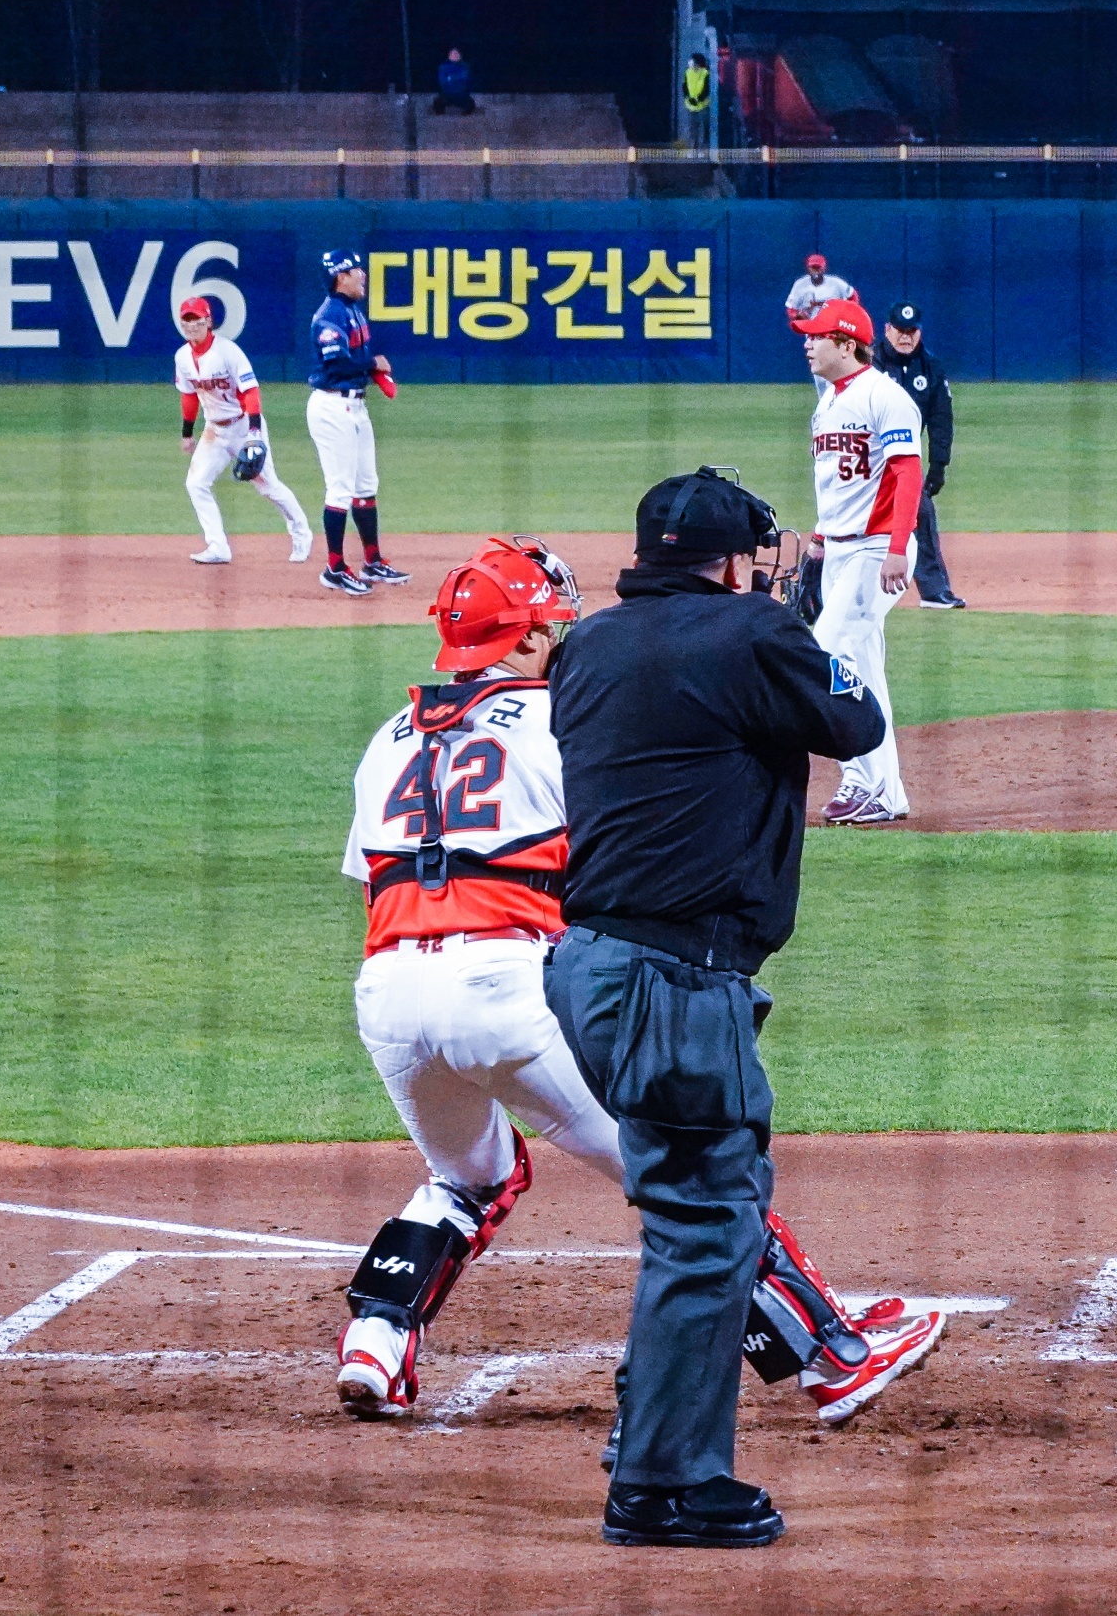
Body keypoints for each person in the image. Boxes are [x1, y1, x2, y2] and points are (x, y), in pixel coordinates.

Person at [333, 533, 945, 1448]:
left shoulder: (388, 738)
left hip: (387, 992)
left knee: (470, 1177)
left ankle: (375, 1343)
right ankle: (833, 1355)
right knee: (692, 1178)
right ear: (525, 637)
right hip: (506, 987)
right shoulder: (561, 719)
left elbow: (376, 879)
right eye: (554, 624)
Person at [542, 471, 941, 1549]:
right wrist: (792, 632)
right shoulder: (752, 632)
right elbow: (855, 723)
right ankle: (661, 1485)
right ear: (728, 561)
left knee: (705, 1213)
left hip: (593, 968)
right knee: (708, 1223)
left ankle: (649, 1444)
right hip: (672, 980)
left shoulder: (586, 644)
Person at [795, 297, 922, 825]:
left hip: (877, 548)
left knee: (827, 652)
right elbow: (839, 482)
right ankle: (885, 792)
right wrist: (819, 539)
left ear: (846, 344)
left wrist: (896, 548)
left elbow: (908, 474)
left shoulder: (885, 397)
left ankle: (862, 778)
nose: (807, 344)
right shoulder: (828, 400)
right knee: (863, 670)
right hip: (841, 549)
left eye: (816, 336)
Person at [173, 295, 311, 566]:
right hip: (214, 431)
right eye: (186, 320)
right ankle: (218, 547)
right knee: (196, 483)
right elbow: (189, 395)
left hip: (243, 425)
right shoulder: (182, 357)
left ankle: (301, 534)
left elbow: (250, 391)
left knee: (268, 486)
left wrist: (255, 433)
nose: (191, 325)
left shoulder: (228, 352)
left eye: (196, 319)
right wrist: (187, 433)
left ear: (208, 321)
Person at [305, 249, 408, 596]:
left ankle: (372, 561)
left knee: (366, 485)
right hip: (332, 406)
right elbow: (337, 364)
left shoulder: (352, 310)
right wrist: (373, 365)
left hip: (355, 406)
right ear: (340, 278)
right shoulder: (329, 316)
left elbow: (358, 358)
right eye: (355, 270)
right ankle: (334, 568)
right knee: (340, 489)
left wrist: (373, 373)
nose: (362, 274)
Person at [874, 301, 963, 609]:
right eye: (900, 330)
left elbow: (941, 420)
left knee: (921, 512)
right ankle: (816, 588)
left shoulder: (930, 368)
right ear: (887, 329)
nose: (905, 337)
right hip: (865, 460)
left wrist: (938, 466)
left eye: (911, 331)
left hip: (901, 462)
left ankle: (934, 591)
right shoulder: (869, 364)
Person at [783, 254, 852, 330]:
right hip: (812, 326)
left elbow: (852, 295)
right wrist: (797, 316)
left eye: (818, 267)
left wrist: (848, 313)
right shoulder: (800, 284)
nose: (816, 270)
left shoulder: (836, 283)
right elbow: (791, 308)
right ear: (808, 268)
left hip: (833, 326)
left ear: (824, 268)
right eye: (813, 267)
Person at [433, 47, 475, 115]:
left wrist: (451, 78)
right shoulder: (443, 67)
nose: (454, 55)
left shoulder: (465, 66)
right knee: (437, 103)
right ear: (449, 56)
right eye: (452, 54)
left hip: (461, 93)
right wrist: (454, 79)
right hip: (447, 93)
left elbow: (465, 79)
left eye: (456, 54)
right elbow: (442, 81)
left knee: (470, 105)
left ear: (460, 56)